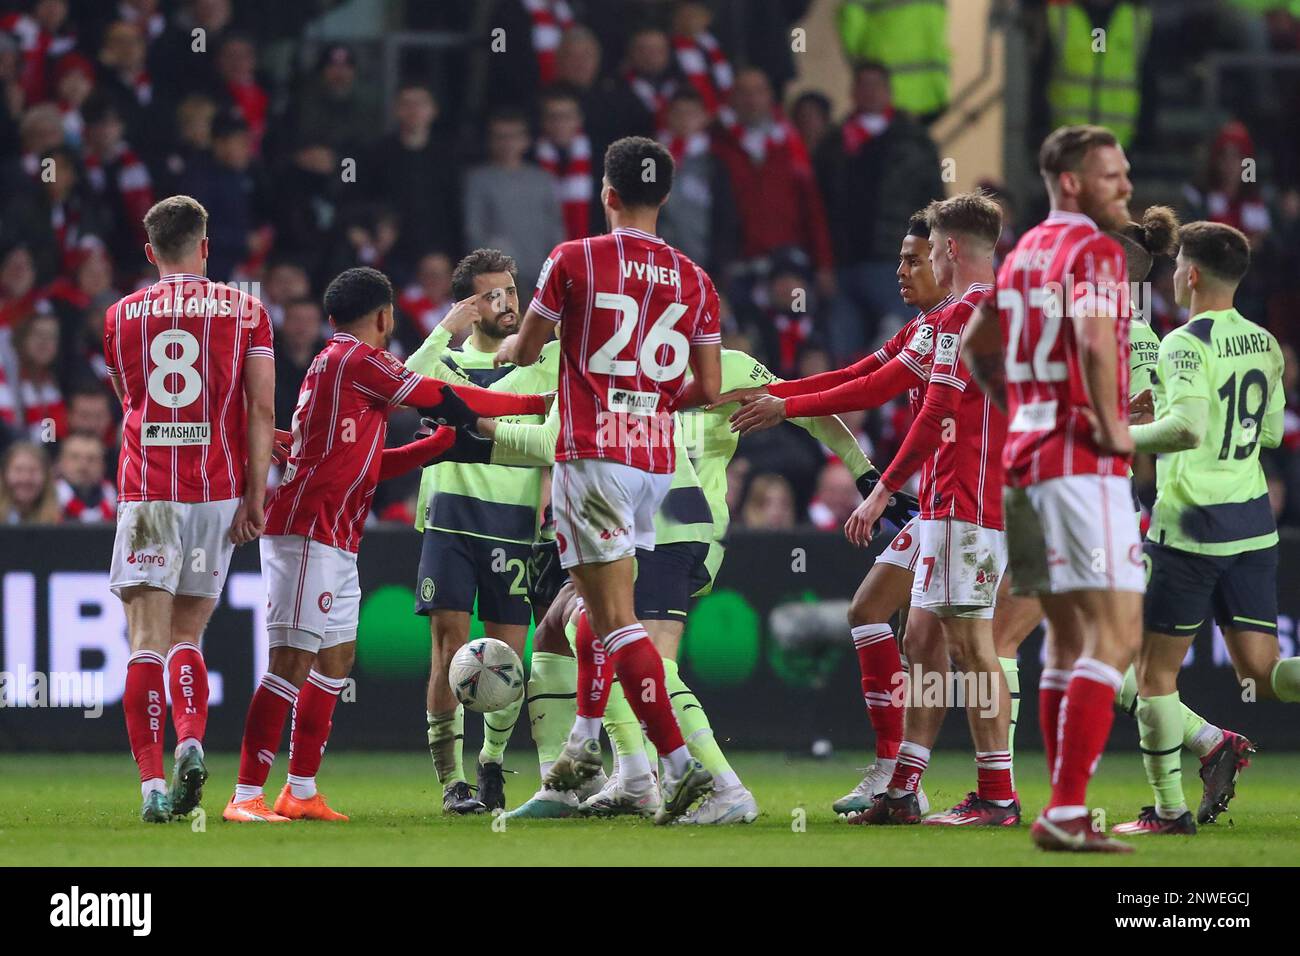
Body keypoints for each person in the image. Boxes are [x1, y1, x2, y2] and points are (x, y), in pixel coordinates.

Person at [223, 267, 547, 823]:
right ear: (384, 317)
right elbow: (441, 393)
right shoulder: (357, 361)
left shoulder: (341, 370)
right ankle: (246, 793)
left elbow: (371, 465)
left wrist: (437, 446)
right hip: (306, 530)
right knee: (289, 662)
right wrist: (528, 406)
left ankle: (299, 789)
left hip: (336, 535)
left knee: (335, 659)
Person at [494, 135, 723, 823]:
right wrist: (651, 400)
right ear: (667, 197)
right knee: (596, 614)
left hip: (593, 458)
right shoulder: (694, 278)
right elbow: (707, 388)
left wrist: (508, 346)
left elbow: (529, 347)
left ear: (606, 193)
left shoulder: (573, 258)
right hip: (654, 462)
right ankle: (588, 742)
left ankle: (682, 768)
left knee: (617, 621)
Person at [962, 124, 1144, 852]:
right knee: (1119, 635)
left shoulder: (1025, 252)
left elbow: (979, 340)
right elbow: (1098, 342)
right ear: (1071, 181)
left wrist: (1022, 405)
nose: (1126, 186)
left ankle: (1063, 809)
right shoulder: (1094, 252)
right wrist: (1111, 428)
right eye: (1112, 176)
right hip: (1080, 464)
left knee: (1066, 641)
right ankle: (1066, 807)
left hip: (1027, 459)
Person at [1113, 221, 1300, 835]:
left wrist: (1116, 434)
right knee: (1263, 674)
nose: (1170, 277)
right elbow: (1270, 433)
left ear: (1190, 274)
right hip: (1251, 521)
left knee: (1152, 676)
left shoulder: (1181, 343)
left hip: (1191, 524)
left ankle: (1168, 812)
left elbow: (1188, 429)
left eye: (1176, 268)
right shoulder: (1267, 344)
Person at [103, 194, 276, 823]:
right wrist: (255, 496)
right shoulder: (247, 311)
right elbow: (261, 412)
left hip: (148, 492)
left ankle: (152, 787)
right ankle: (194, 742)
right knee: (187, 636)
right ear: (205, 246)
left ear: (151, 252)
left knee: (145, 641)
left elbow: (129, 399)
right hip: (217, 492)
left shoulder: (119, 316)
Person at [403, 249, 559, 814]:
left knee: (506, 661)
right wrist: (443, 330)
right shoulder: (445, 361)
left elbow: (554, 444)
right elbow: (402, 383)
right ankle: (452, 782)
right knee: (447, 646)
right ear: (469, 304)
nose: (507, 304)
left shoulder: (547, 360)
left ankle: (492, 761)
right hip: (449, 517)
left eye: (511, 293)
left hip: (514, 526)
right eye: (492, 295)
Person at [0, 440, 61, 524]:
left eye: (33, 471)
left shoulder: (61, 518)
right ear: (4, 475)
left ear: (46, 477)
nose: (25, 479)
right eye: (18, 470)